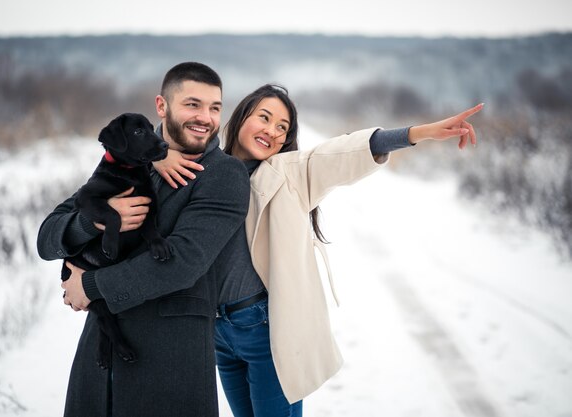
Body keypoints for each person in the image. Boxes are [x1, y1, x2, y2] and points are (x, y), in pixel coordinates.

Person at [153, 83, 484, 417]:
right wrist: (158, 154)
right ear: (241, 118)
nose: (271, 131)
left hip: (265, 330)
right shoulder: (206, 169)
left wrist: (419, 133)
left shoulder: (289, 173)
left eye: (282, 128)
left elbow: (346, 151)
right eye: (264, 118)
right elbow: (169, 138)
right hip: (216, 332)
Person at [36, 62, 250, 417]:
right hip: (100, 358)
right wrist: (97, 223)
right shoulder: (129, 160)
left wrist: (89, 285)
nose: (206, 118)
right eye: (192, 104)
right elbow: (48, 238)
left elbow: (182, 262)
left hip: (170, 362)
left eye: (215, 107)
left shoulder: (225, 174)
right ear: (162, 107)